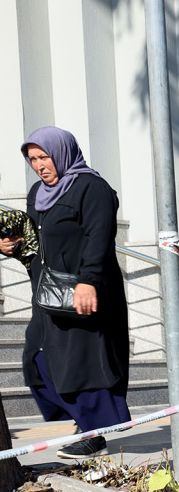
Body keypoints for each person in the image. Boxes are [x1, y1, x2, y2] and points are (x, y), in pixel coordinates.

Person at [0, 127, 129, 459]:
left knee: (84, 362)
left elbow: (99, 237)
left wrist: (88, 280)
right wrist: (11, 247)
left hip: (85, 290)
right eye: (32, 159)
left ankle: (95, 434)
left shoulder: (92, 188)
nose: (40, 165)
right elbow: (36, 244)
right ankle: (87, 421)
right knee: (37, 361)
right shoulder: (38, 194)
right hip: (49, 293)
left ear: (62, 152)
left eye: (44, 156)